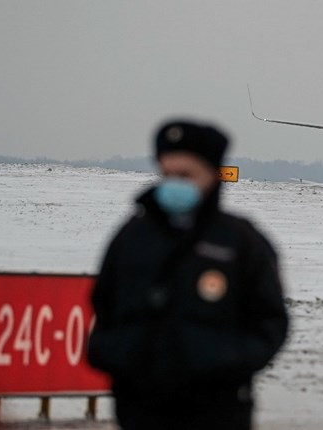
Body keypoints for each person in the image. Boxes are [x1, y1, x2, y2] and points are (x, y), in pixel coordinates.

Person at [87, 119, 289, 430]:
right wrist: (118, 357)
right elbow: (104, 305)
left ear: (213, 175)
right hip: (140, 405)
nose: (174, 184)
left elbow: (270, 320)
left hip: (217, 407)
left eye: (186, 175)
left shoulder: (240, 241)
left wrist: (229, 364)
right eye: (168, 174)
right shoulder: (132, 236)